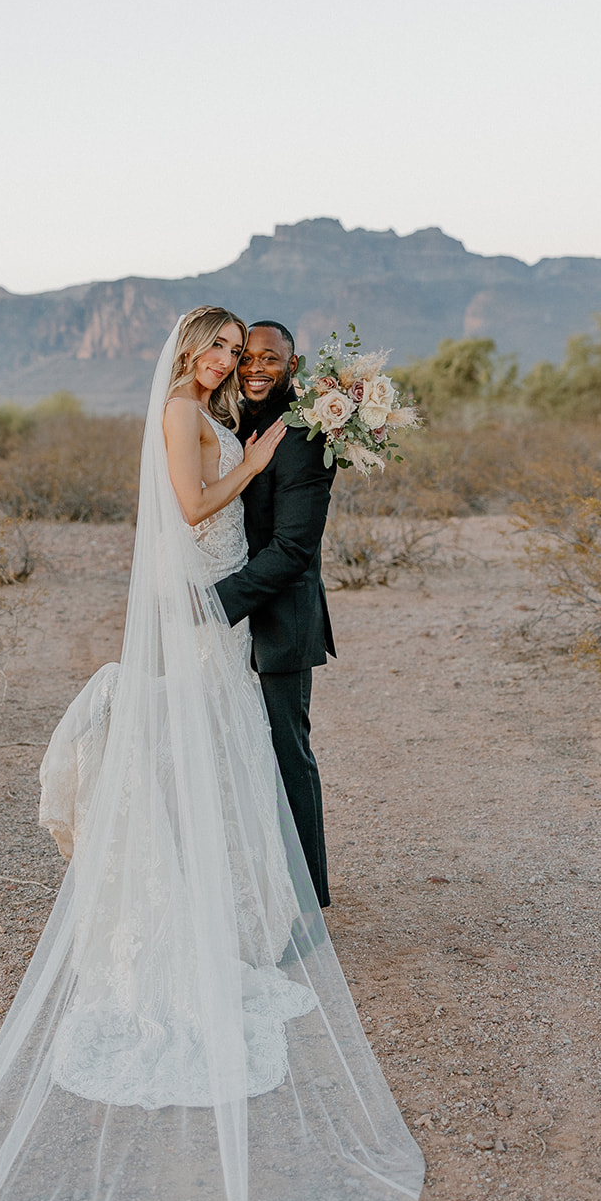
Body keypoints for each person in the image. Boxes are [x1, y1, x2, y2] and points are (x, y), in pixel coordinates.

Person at [0, 307, 423, 1201]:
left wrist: (267, 451)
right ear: (188, 353)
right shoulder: (193, 412)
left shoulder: (230, 410)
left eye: (244, 350)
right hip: (208, 591)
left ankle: (258, 904)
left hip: (225, 601)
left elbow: (258, 523)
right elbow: (190, 508)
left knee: (246, 759)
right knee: (223, 754)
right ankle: (229, 913)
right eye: (220, 346)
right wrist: (253, 460)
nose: (232, 361)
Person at [214, 321, 336, 907]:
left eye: (269, 358)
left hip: (279, 622)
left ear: (293, 364)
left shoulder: (307, 437)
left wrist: (215, 604)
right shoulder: (239, 423)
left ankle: (309, 899)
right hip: (234, 623)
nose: (255, 367)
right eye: (246, 358)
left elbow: (293, 550)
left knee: (289, 756)